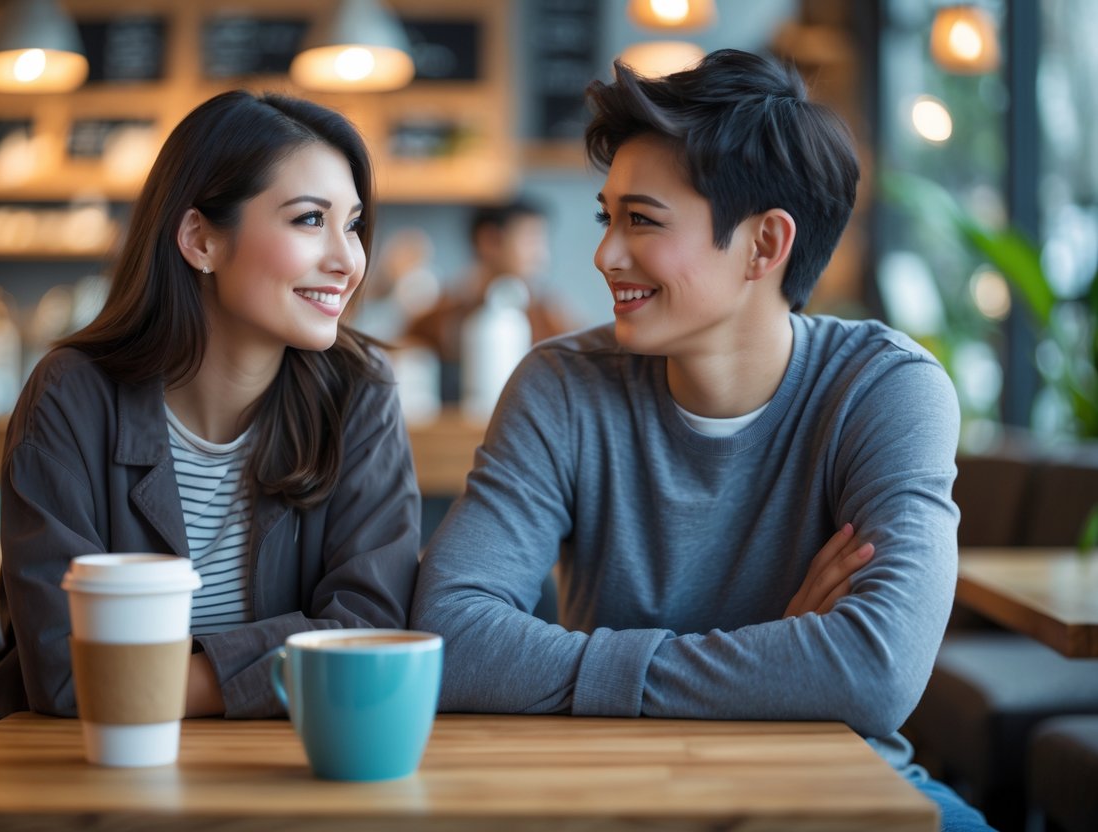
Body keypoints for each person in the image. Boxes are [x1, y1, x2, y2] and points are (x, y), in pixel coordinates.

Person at [411, 50, 992, 830]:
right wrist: (780, 653)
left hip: (845, 791)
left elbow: (873, 672)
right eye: (605, 216)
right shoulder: (561, 385)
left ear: (763, 245)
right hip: (615, 792)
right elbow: (450, 632)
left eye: (641, 221)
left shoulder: (885, 389)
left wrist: (588, 666)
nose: (603, 254)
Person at [0, 90, 421, 724]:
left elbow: (369, 635)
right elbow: (69, 675)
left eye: (352, 224)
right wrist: (291, 664)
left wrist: (138, 680)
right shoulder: (70, 398)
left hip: (282, 781)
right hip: (83, 779)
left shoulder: (360, 394)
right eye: (309, 220)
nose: (348, 261)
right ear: (200, 239)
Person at [404, 197, 572, 401]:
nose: (541, 255)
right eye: (530, 241)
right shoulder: (442, 312)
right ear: (490, 241)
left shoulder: (548, 314)